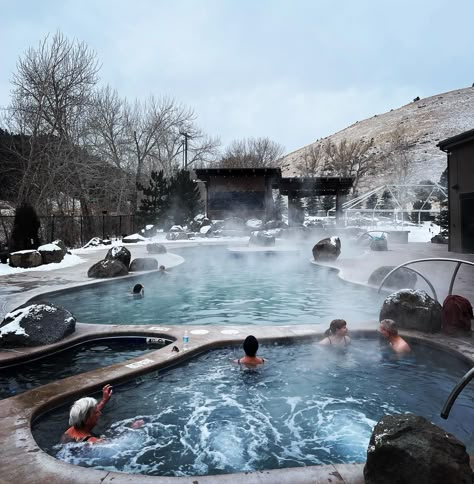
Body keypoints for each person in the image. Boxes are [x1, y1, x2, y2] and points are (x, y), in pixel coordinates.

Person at [61, 384, 143, 444]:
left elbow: (87, 414)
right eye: (96, 412)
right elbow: (119, 445)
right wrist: (133, 430)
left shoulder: (70, 431)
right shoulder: (94, 442)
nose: (100, 413)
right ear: (86, 420)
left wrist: (104, 401)